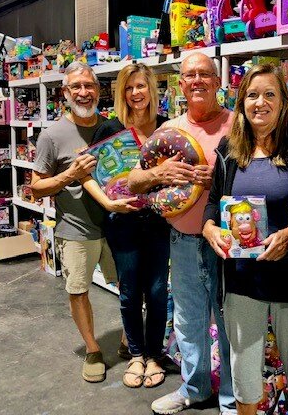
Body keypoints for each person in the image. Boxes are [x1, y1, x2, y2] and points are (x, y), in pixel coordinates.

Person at [201, 64, 288, 415]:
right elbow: (214, 203)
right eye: (253, 95)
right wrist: (210, 228)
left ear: (283, 102)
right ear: (242, 103)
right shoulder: (229, 149)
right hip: (243, 280)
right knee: (244, 375)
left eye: (270, 94)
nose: (261, 102)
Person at [127, 53, 236, 414]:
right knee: (189, 319)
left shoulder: (238, 126)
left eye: (205, 74)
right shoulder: (170, 130)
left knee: (228, 320)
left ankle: (233, 400)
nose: (197, 80)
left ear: (217, 81)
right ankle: (194, 387)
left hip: (225, 242)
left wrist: (219, 178)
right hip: (183, 241)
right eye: (190, 75)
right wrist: (161, 173)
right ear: (181, 85)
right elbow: (133, 180)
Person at [81, 63, 171, 389]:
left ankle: (155, 355)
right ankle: (136, 355)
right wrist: (107, 204)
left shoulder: (166, 126)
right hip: (123, 222)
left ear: (151, 89)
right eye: (129, 88)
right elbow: (85, 174)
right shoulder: (109, 129)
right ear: (122, 92)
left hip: (160, 222)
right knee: (130, 292)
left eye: (141, 86)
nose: (136, 93)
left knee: (159, 292)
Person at [31, 61, 117, 383]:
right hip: (76, 231)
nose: (84, 92)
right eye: (76, 87)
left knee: (128, 286)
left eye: (89, 86)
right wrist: (70, 175)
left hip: (116, 225)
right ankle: (93, 349)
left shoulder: (111, 128)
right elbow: (36, 186)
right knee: (79, 290)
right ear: (65, 93)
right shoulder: (51, 136)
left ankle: (128, 341)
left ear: (98, 90)